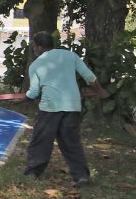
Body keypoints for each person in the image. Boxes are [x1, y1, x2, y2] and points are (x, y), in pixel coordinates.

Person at [18, 31, 108, 187]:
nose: (34, 49)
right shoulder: (70, 56)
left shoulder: (36, 65)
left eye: (34, 46)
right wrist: (99, 91)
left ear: (39, 47)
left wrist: (23, 99)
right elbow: (90, 77)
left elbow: (33, 92)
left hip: (50, 108)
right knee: (71, 142)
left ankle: (33, 172)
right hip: (72, 106)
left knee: (41, 140)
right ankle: (81, 176)